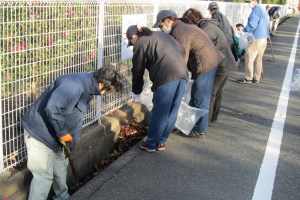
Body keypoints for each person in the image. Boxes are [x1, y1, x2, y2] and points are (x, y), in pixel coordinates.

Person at [21, 65, 123, 200]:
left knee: (61, 166)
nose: (105, 94)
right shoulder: (74, 85)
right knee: (43, 176)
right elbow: (52, 109)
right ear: (101, 83)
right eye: (107, 91)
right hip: (40, 134)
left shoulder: (88, 87)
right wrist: (63, 133)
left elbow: (71, 114)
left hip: (56, 137)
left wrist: (70, 141)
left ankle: (62, 197)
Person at [153, 10, 224, 137]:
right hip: (207, 61)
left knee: (200, 97)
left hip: (205, 64)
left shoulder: (180, 31)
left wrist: (180, 77)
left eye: (161, 25)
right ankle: (193, 126)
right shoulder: (181, 27)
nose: (161, 28)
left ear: (169, 20)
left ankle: (200, 129)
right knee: (198, 96)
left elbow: (182, 56)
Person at [126, 25, 189, 152]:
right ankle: (161, 142)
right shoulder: (163, 35)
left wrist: (136, 92)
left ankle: (151, 144)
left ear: (134, 37)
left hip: (166, 77)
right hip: (182, 74)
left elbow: (138, 70)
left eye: (131, 42)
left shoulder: (141, 42)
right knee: (172, 110)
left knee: (160, 112)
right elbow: (182, 51)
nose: (133, 45)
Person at [182, 8, 236, 123]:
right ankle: (213, 118)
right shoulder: (208, 25)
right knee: (218, 91)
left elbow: (201, 51)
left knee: (210, 93)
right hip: (228, 62)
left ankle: (203, 121)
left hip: (221, 64)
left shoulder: (205, 30)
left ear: (191, 21)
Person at [236, 0, 269, 84]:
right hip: (264, 38)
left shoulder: (256, 10)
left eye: (250, 1)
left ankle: (248, 78)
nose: (249, 3)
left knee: (249, 57)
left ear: (255, 1)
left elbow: (252, 25)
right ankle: (257, 77)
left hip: (256, 38)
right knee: (258, 59)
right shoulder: (262, 10)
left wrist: (243, 30)